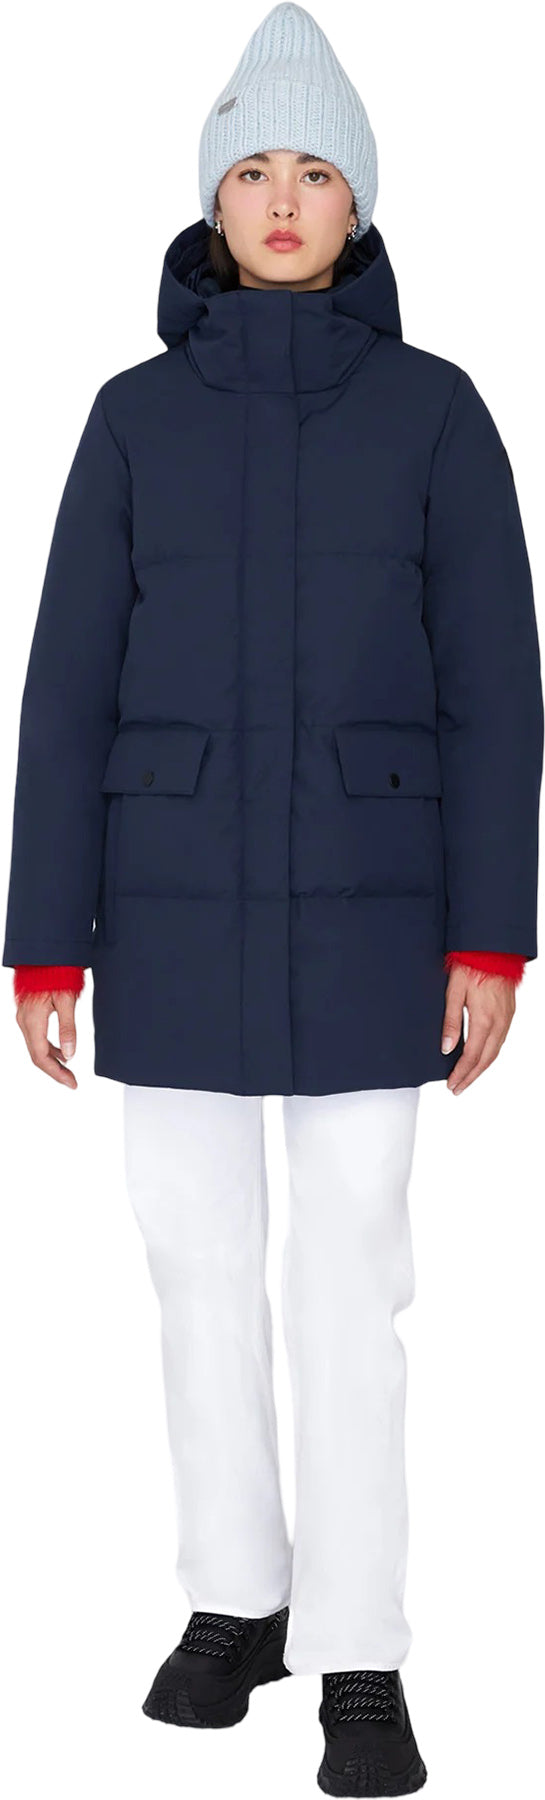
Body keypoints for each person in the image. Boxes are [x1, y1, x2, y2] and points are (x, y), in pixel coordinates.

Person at [3, 3, 543, 1793]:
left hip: (376, 914)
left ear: (359, 203)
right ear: (212, 203)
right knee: (192, 1269)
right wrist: (43, 940)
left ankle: (359, 1651)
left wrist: (490, 936)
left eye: (317, 170)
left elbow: (497, 691)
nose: (286, 198)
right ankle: (235, 1597)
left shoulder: (437, 414)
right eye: (255, 171)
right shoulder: (131, 419)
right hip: (164, 910)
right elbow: (66, 689)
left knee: (350, 1283)